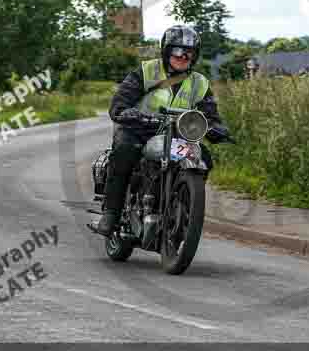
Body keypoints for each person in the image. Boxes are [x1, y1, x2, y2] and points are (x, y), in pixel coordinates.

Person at [94, 25, 229, 236]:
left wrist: (217, 129)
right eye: (177, 50)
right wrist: (126, 112)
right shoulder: (147, 71)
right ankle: (111, 213)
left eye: (189, 52)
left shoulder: (199, 83)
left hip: (177, 135)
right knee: (124, 151)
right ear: (166, 51)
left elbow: (210, 114)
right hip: (139, 128)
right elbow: (120, 101)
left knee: (205, 157)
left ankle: (183, 208)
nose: (183, 56)